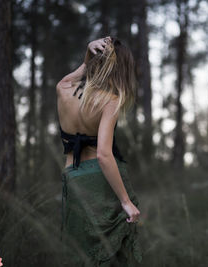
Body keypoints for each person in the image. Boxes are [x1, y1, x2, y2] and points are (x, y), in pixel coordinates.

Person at [56, 36, 143, 266]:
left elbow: (75, 76)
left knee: (82, 249)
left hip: (73, 178)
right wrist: (125, 201)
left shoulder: (63, 88)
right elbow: (104, 155)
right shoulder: (110, 101)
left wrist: (88, 54)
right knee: (114, 251)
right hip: (102, 181)